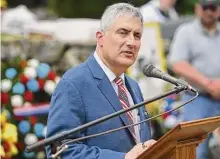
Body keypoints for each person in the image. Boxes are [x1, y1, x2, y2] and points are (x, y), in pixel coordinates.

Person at [46, 3, 156, 159]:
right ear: (100, 38)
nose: (131, 42)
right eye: (123, 33)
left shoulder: (132, 86)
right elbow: (61, 152)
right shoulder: (74, 83)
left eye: (137, 35)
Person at [168, 0, 220, 159]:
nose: (209, 11)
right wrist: (208, 84)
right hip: (196, 99)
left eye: (212, 7)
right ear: (197, 9)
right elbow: (177, 63)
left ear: (219, 11)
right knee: (195, 151)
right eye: (205, 7)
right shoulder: (185, 32)